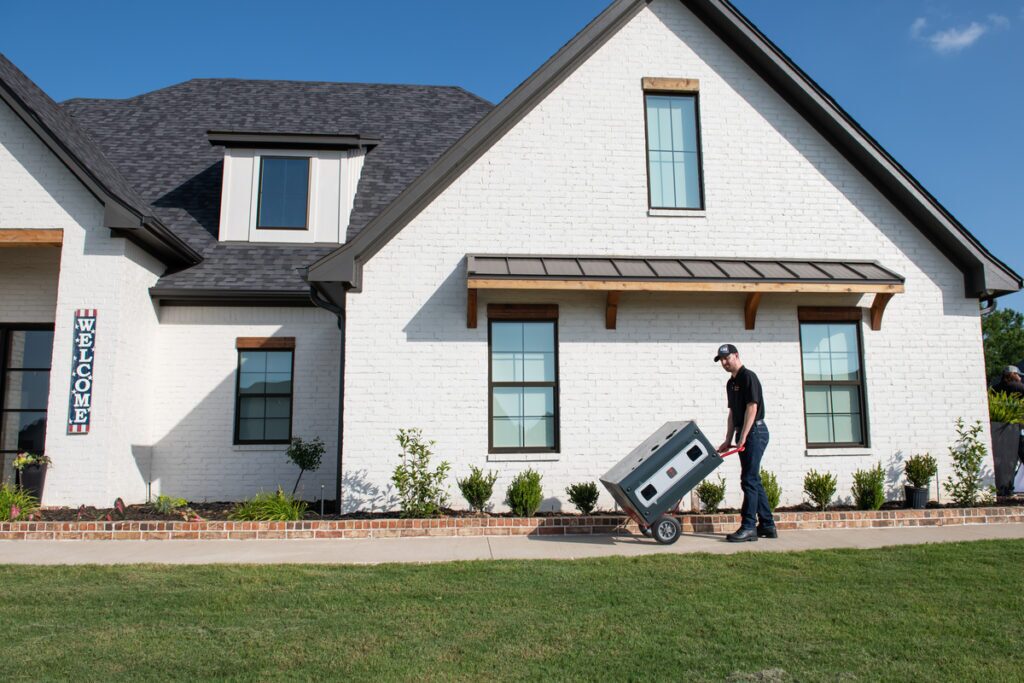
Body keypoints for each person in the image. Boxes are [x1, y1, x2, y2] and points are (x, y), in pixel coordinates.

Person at [714, 343, 776, 542]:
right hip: (744, 432)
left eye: (727, 358)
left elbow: (752, 408)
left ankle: (749, 526)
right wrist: (728, 439)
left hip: (755, 431)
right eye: (721, 360)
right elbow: (733, 413)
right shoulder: (730, 384)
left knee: (748, 480)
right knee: (753, 479)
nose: (724, 363)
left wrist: (743, 437)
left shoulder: (748, 377)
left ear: (736, 356)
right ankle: (767, 525)